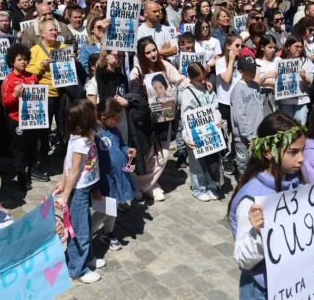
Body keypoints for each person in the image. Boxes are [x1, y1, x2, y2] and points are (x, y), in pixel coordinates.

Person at [227, 112, 306, 300]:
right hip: (262, 290)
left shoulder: (296, 181)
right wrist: (261, 235)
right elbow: (243, 259)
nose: (301, 158)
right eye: (293, 152)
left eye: (303, 150)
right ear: (269, 152)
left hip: (291, 285)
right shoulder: (252, 198)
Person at [129, 37, 188, 201]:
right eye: (147, 52)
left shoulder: (166, 65)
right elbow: (133, 96)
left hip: (165, 117)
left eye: (154, 50)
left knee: (162, 154)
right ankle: (150, 185)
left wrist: (199, 82)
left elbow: (181, 80)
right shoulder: (136, 71)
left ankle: (139, 184)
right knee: (148, 154)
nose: (153, 54)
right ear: (142, 55)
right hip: (145, 120)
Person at [54, 99, 105, 284]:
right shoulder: (81, 141)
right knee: (79, 231)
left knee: (85, 224)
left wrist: (61, 179)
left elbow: (66, 160)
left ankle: (88, 257)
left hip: (86, 186)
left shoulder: (82, 135)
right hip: (79, 190)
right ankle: (77, 269)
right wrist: (65, 196)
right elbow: (74, 169)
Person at [0, 44, 49, 190]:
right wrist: (15, 95)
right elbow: (5, 102)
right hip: (16, 120)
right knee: (19, 149)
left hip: (32, 120)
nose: (23, 62)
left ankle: (32, 170)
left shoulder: (32, 77)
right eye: (20, 59)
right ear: (12, 62)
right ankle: (21, 176)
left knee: (32, 146)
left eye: (25, 59)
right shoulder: (8, 80)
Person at [93, 98, 136, 250]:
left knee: (114, 206)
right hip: (105, 179)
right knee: (103, 211)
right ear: (103, 117)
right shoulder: (95, 133)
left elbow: (121, 145)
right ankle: (84, 239)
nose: (117, 122)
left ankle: (108, 233)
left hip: (118, 177)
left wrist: (127, 150)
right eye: (114, 119)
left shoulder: (114, 130)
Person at [180, 62, 223, 202]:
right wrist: (187, 137)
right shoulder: (187, 92)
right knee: (197, 163)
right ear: (191, 78)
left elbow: (215, 107)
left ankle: (211, 186)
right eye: (199, 80)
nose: (203, 82)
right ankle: (199, 189)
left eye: (204, 78)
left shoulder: (208, 89)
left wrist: (218, 119)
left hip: (210, 132)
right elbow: (185, 116)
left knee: (211, 160)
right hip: (195, 134)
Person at [26, 19, 68, 163]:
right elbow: (27, 73)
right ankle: (43, 155)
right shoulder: (34, 51)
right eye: (50, 30)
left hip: (62, 93)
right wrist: (41, 66)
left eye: (55, 30)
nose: (54, 32)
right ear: (42, 34)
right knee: (44, 127)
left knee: (64, 124)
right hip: (45, 95)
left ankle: (65, 152)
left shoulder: (62, 47)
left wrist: (71, 61)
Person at [230, 56, 264, 178]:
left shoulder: (255, 85)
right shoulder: (238, 89)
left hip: (256, 133)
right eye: (250, 71)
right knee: (243, 163)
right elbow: (239, 116)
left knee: (257, 163)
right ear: (241, 72)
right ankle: (242, 185)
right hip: (242, 136)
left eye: (254, 69)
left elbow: (260, 108)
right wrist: (249, 135)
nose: (253, 73)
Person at [216, 34, 243, 176]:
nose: (239, 48)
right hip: (224, 103)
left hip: (237, 102)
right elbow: (226, 79)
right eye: (236, 45)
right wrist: (231, 61)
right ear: (228, 46)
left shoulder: (241, 61)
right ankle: (224, 158)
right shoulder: (221, 62)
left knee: (236, 133)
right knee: (225, 134)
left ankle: (232, 158)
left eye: (241, 46)